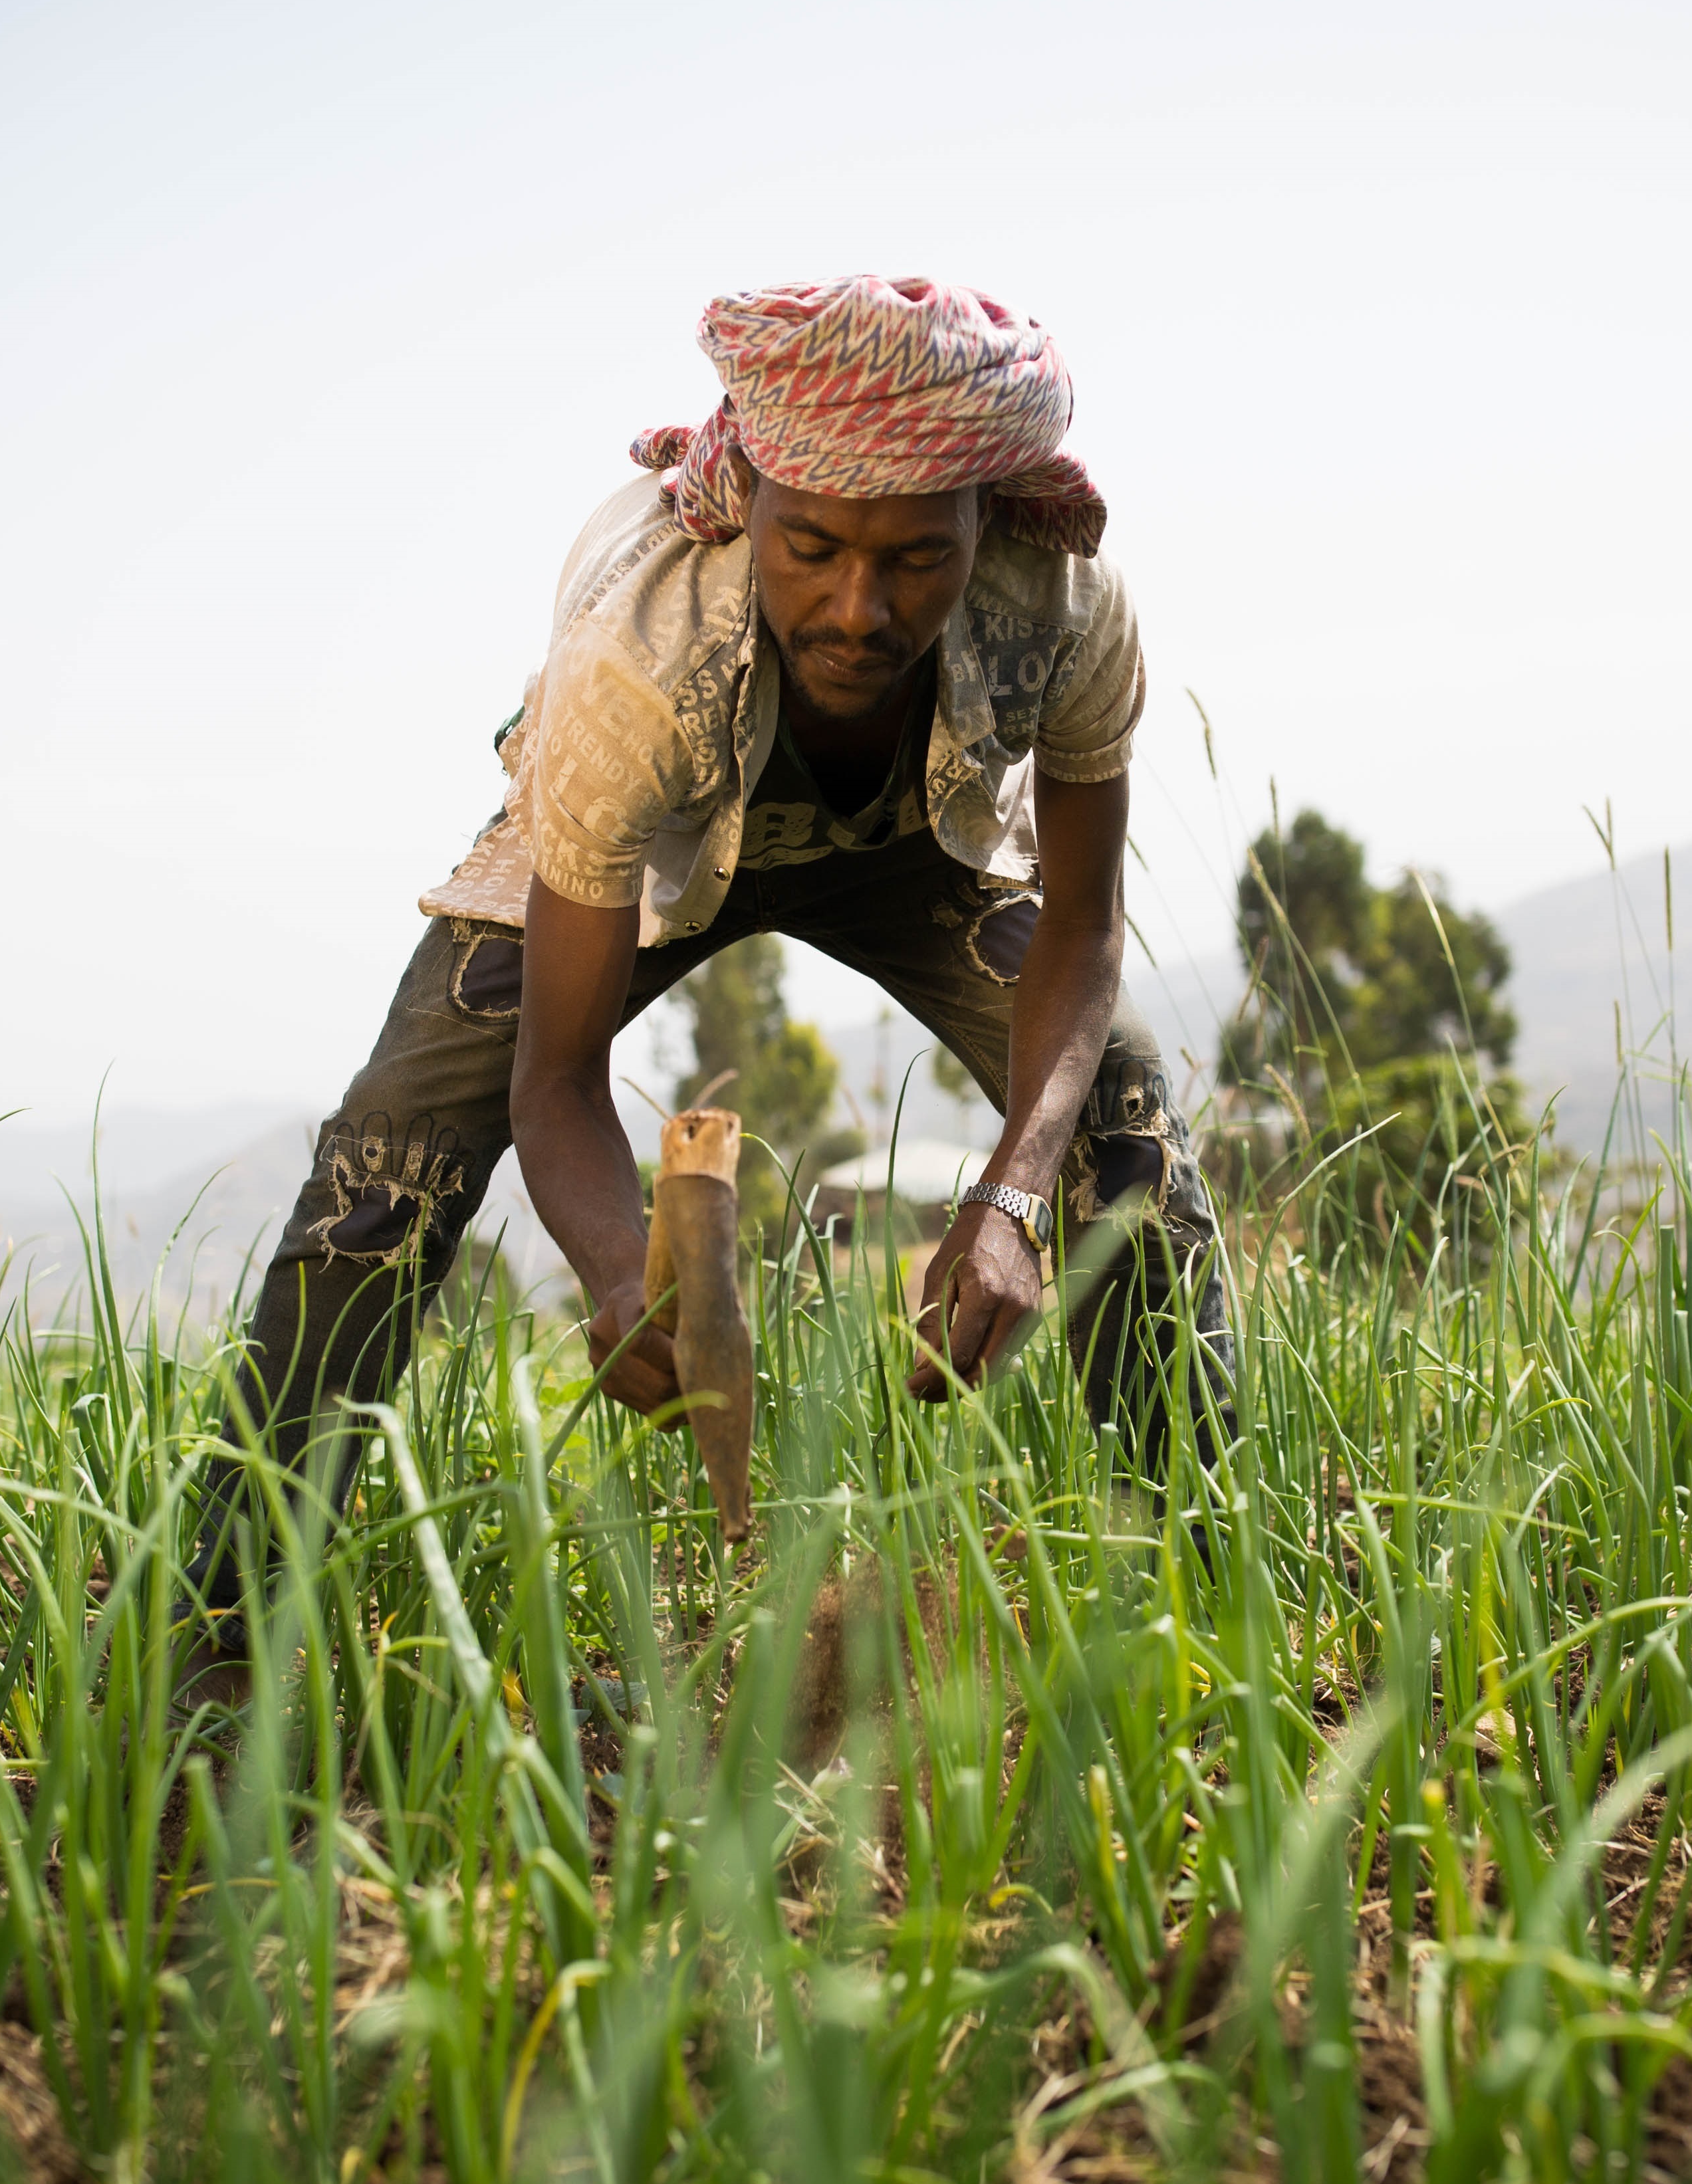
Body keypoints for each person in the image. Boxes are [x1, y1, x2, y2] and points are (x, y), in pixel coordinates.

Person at [211, 274, 1231, 1598]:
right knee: (389, 1163)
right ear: (751, 502)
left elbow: (1082, 933)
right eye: (814, 550)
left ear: (989, 524)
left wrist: (1012, 1198)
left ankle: (1204, 1586)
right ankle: (226, 1629)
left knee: (1122, 1117)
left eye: (917, 559)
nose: (859, 610)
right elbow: (555, 1074)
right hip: (652, 844)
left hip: (914, 841)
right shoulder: (641, 660)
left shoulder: (1070, 607)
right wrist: (617, 1272)